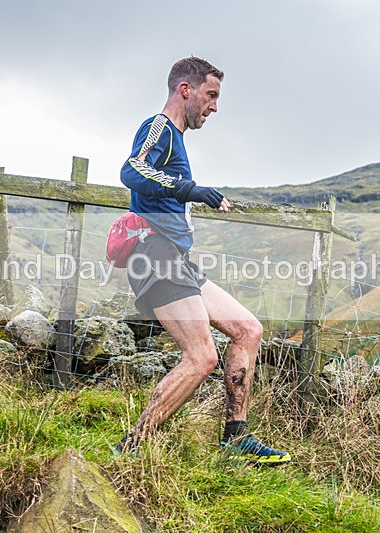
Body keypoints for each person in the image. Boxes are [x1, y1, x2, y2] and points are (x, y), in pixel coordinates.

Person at [114, 56, 291, 464]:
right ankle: (130, 447)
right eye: (211, 96)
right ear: (185, 90)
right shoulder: (158, 127)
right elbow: (132, 170)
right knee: (202, 357)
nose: (214, 106)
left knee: (248, 329)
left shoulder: (177, 139)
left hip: (174, 258)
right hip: (153, 254)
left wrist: (189, 194)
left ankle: (236, 436)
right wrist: (190, 189)